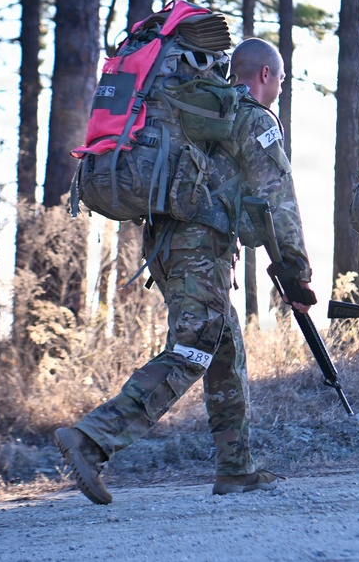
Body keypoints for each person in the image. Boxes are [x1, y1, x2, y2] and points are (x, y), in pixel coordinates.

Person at [55, 37, 314, 504]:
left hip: (169, 245)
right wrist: (296, 270)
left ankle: (237, 468)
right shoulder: (249, 116)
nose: (279, 88)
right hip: (199, 245)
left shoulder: (193, 112)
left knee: (224, 347)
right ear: (263, 75)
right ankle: (93, 439)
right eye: (279, 79)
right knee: (194, 347)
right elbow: (279, 196)